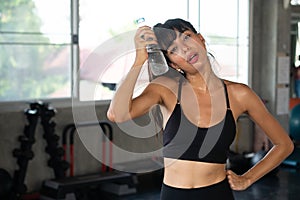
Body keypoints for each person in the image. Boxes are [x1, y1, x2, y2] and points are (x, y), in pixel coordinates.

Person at [107, 18, 294, 200]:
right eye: (174, 49)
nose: (185, 48)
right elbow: (117, 114)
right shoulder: (165, 89)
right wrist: (139, 60)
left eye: (186, 37)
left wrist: (247, 178)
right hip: (173, 195)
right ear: (173, 63)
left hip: (217, 193)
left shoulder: (239, 94)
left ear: (201, 39)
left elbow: (284, 144)